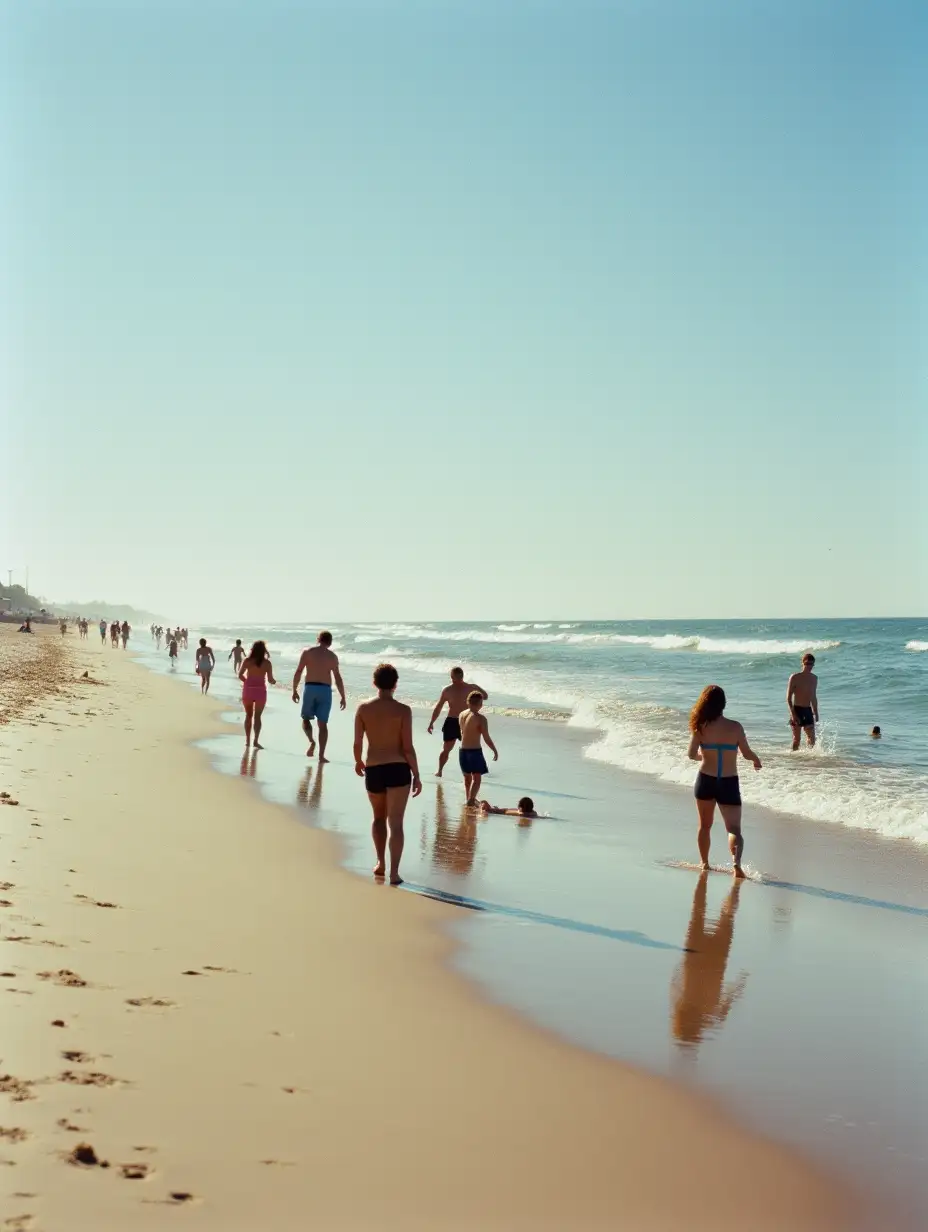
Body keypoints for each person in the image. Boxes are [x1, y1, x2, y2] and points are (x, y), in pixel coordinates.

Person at [354, 663, 422, 885]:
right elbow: (407, 747)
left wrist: (358, 761)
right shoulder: (403, 710)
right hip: (398, 768)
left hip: (374, 768)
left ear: (374, 683)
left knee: (378, 818)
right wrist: (417, 774)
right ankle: (394, 873)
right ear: (395, 684)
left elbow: (357, 743)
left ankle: (380, 863)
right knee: (396, 822)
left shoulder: (363, 709)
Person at [687, 685, 761, 878]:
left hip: (705, 780)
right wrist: (756, 759)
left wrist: (702, 757)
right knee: (734, 829)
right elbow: (745, 753)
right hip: (728, 782)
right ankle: (736, 864)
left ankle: (704, 864)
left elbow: (691, 754)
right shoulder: (735, 727)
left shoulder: (700, 726)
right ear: (723, 704)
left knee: (705, 825)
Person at [291, 631, 346, 762]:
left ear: (318, 639)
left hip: (310, 688)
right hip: (325, 691)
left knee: (306, 719)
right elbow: (337, 677)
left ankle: (311, 741)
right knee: (323, 724)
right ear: (330, 642)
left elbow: (298, 671)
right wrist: (343, 696)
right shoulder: (333, 657)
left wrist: (294, 689)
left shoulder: (307, 653)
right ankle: (321, 755)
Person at [427, 668, 489, 777]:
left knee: (469, 748)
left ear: (457, 677)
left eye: (453, 677)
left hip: (466, 720)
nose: (452, 679)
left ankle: (472, 771)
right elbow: (438, 707)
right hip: (455, 721)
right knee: (448, 749)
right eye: (453, 677)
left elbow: (485, 696)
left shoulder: (465, 688)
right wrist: (432, 721)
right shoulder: (451, 690)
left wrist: (476, 690)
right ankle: (440, 770)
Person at [458, 692, 498, 806]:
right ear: (480, 704)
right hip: (474, 751)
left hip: (462, 751)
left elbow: (463, 732)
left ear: (468, 701)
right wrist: (494, 750)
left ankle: (468, 798)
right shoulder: (480, 718)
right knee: (477, 779)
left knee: (467, 778)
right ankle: (471, 800)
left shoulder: (462, 714)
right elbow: (486, 737)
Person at [239, 640, 276, 749]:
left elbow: (240, 675)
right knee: (258, 717)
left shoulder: (247, 661)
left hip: (248, 690)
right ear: (264, 650)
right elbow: (270, 679)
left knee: (248, 715)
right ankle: (255, 741)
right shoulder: (267, 663)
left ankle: (247, 740)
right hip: (260, 691)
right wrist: (275, 682)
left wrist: (247, 682)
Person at [786, 653, 819, 750]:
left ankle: (808, 761)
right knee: (797, 739)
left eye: (811, 664)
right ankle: (794, 760)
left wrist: (816, 712)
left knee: (812, 739)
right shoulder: (795, 677)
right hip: (797, 710)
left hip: (808, 710)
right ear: (802, 663)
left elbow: (813, 696)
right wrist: (793, 714)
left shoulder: (814, 678)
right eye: (807, 663)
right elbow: (788, 698)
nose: (809, 666)